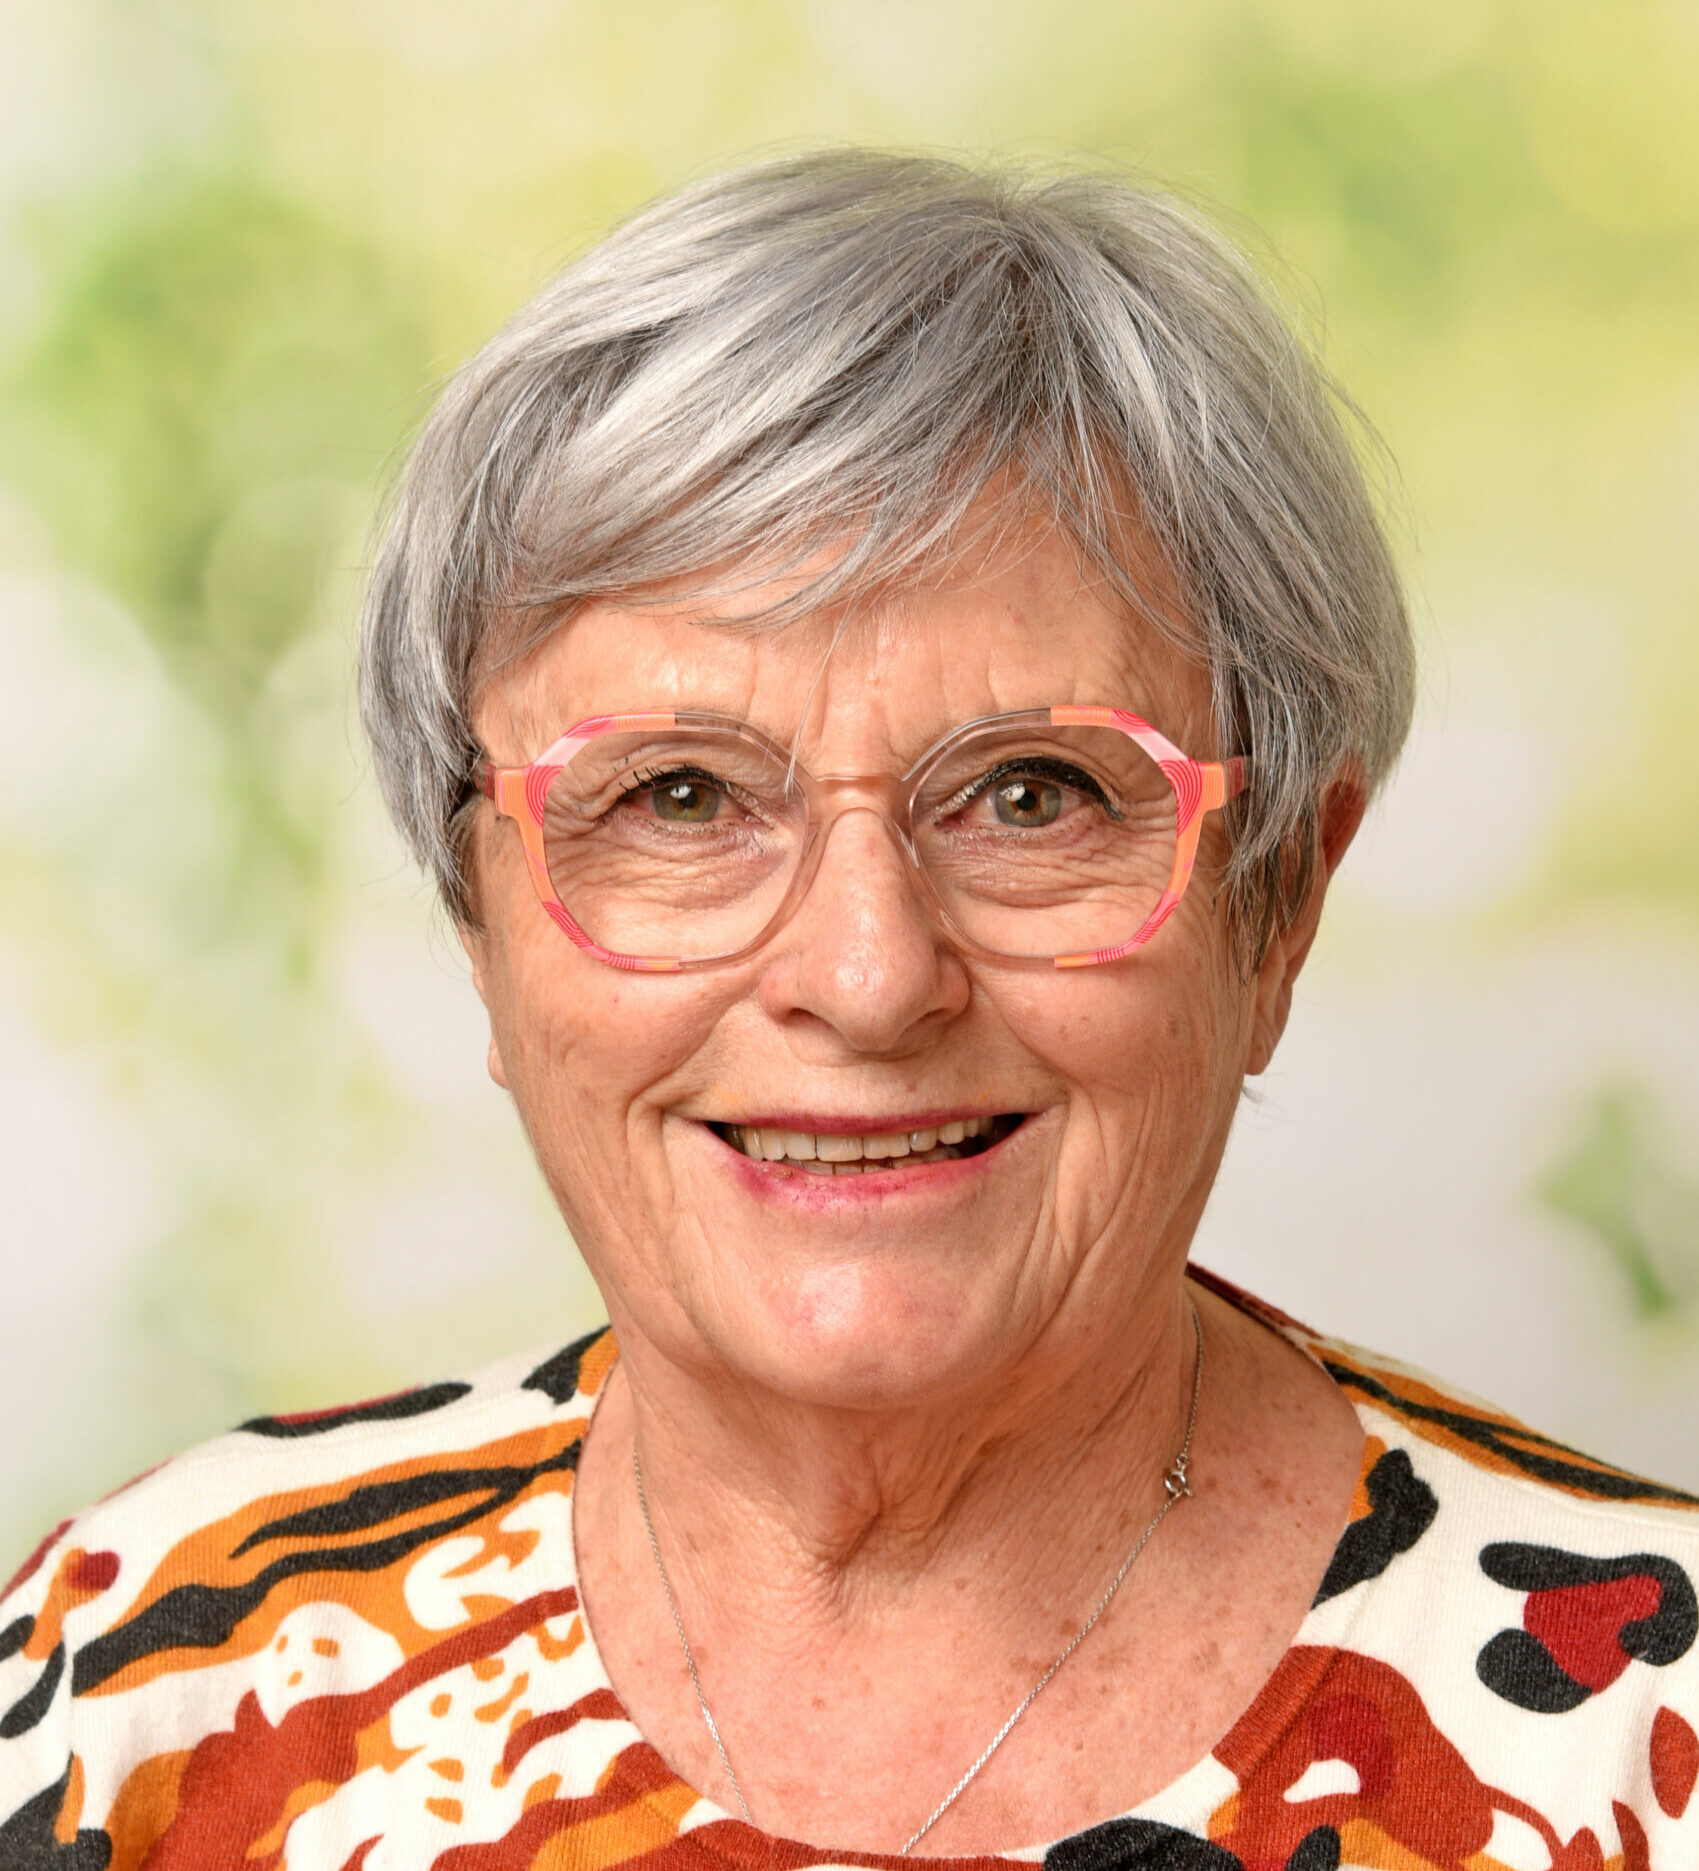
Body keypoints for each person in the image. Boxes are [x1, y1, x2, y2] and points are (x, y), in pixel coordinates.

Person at [3, 151, 1697, 1870]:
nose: (869, 977)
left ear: (1280, 907)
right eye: (679, 798)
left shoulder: (1651, 1742)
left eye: (1032, 795)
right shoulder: (147, 1685)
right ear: (477, 918)